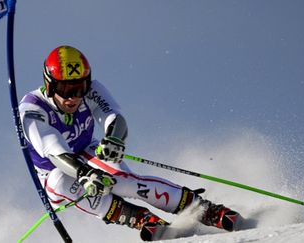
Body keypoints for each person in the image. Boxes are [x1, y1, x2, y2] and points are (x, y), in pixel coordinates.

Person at [19, 45, 241, 241]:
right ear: (49, 85)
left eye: (80, 88)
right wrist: (84, 173)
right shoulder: (32, 110)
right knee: (60, 183)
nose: (74, 97)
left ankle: (205, 210)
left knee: (121, 181)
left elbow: (114, 116)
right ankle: (139, 218)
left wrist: (114, 138)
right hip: (54, 171)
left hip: (86, 151)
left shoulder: (92, 90)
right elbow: (54, 150)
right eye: (66, 90)